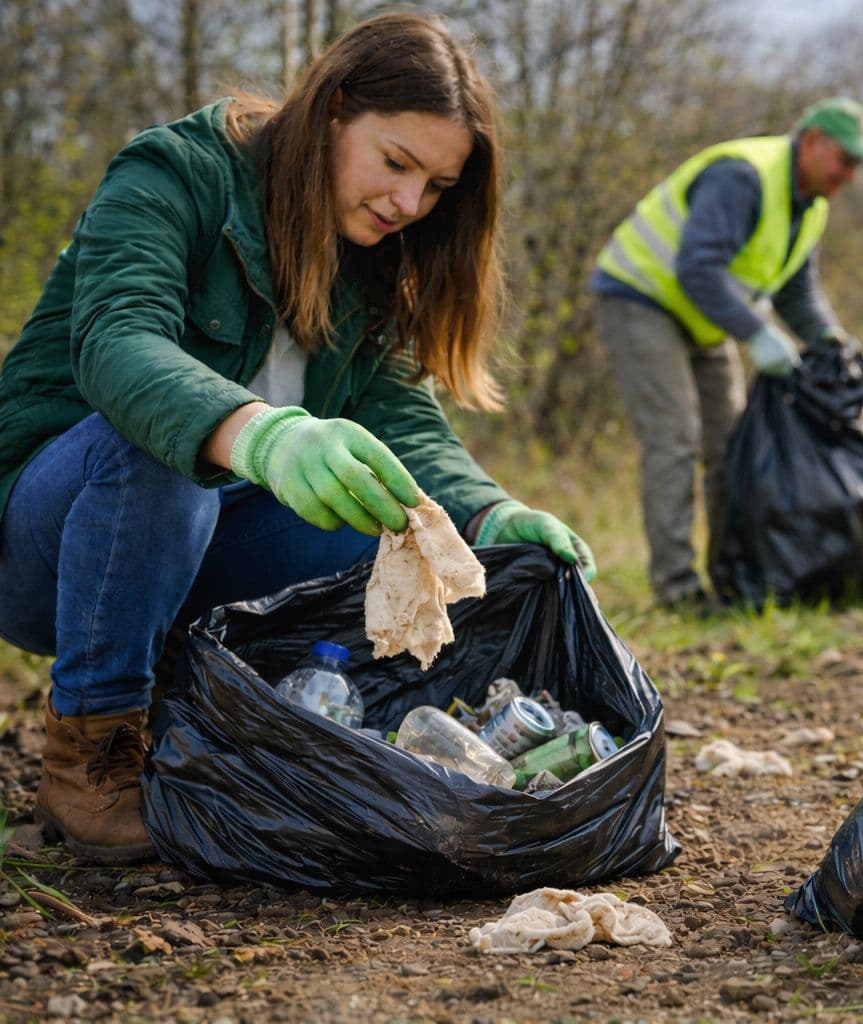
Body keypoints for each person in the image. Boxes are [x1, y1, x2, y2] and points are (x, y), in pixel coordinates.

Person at [0, 12, 595, 864]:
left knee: (383, 511)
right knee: (162, 448)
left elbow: (402, 423)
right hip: (48, 548)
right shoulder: (174, 172)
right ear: (330, 111)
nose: (408, 204)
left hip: (196, 552)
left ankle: (216, 715)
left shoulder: (375, 255)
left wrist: (488, 514)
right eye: (396, 163)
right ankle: (91, 756)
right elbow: (117, 342)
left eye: (435, 186)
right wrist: (266, 437)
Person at [590, 97, 863, 608]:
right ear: (813, 141)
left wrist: (829, 337)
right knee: (675, 438)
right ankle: (677, 587)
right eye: (846, 159)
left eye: (859, 164)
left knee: (732, 446)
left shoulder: (810, 205)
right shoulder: (743, 176)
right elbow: (698, 268)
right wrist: (756, 332)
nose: (851, 175)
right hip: (641, 298)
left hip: (705, 318)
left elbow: (797, 289)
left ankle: (733, 578)